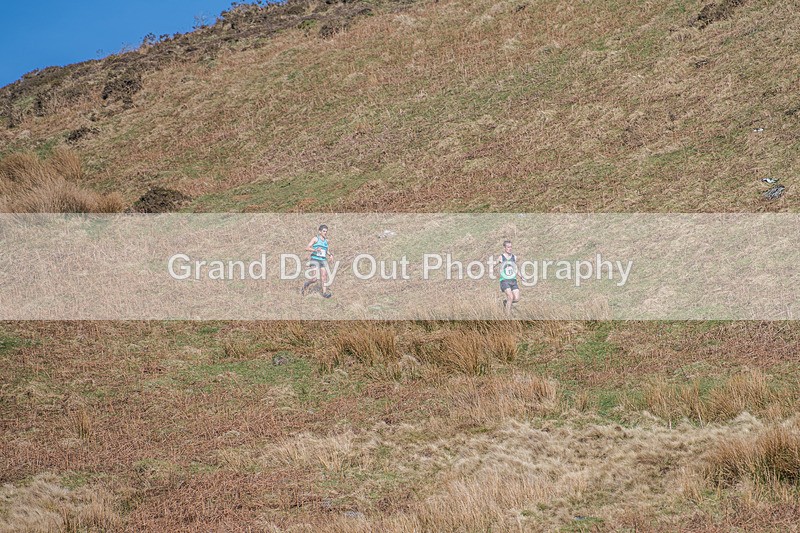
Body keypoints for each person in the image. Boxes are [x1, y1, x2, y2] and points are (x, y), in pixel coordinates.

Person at [302, 224, 333, 298]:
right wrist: (315, 250)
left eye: (326, 231)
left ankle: (324, 293)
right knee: (314, 279)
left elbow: (326, 250)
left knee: (324, 276)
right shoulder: (315, 239)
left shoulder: (326, 241)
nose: (325, 232)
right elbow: (307, 248)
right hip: (315, 259)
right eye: (324, 231)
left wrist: (330, 255)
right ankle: (306, 284)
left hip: (323, 260)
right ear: (320, 232)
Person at [496, 240, 520, 315]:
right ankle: (507, 316)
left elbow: (515, 269)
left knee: (516, 298)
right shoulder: (501, 257)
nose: (510, 248)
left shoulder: (514, 257)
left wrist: (521, 276)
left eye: (511, 247)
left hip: (513, 280)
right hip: (504, 280)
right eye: (508, 247)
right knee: (510, 297)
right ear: (505, 248)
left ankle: (505, 302)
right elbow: (493, 264)